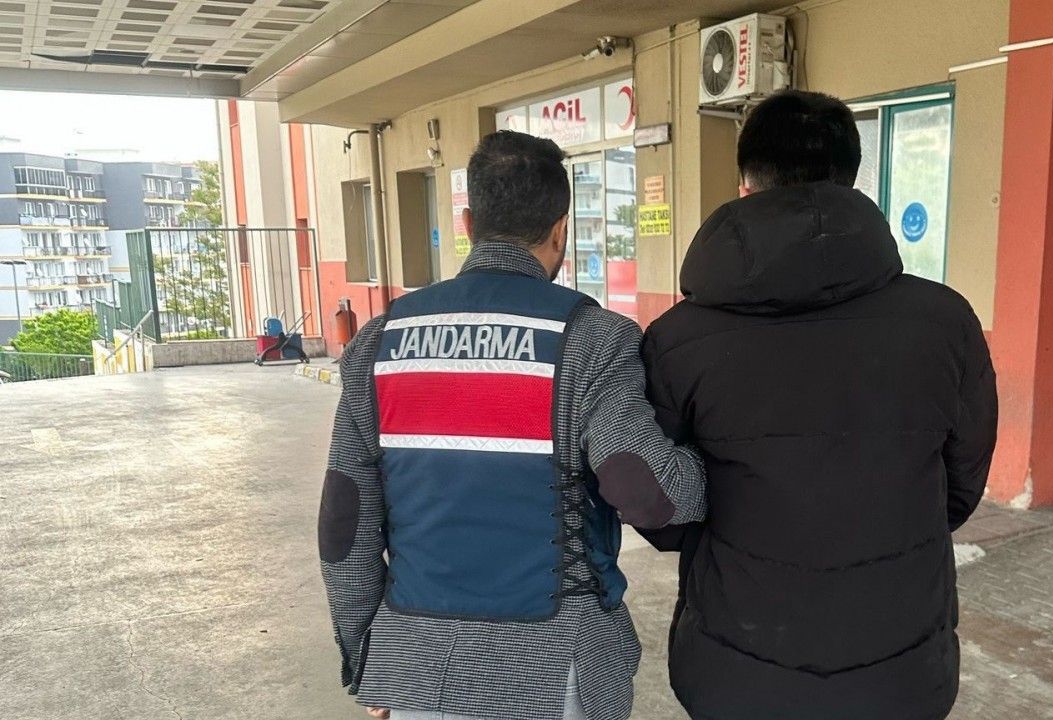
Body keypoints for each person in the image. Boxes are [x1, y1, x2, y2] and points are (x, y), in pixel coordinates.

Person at [318, 130, 706, 720]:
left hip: (417, 669)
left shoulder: (379, 342)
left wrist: (367, 656)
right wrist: (718, 463)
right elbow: (650, 493)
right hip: (555, 671)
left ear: (469, 224)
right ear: (560, 231)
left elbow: (344, 524)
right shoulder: (593, 340)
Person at [641, 90, 998, 720]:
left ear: (746, 186)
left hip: (736, 670)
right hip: (901, 670)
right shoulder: (946, 322)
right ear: (852, 181)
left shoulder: (676, 339)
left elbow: (664, 511)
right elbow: (960, 488)